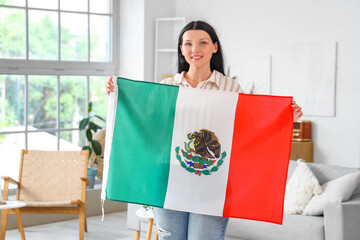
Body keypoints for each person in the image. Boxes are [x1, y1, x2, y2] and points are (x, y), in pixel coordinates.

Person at [106, 20, 303, 240]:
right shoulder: (169, 87)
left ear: (214, 47)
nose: (195, 49)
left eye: (202, 42)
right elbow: (147, 123)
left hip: (213, 185)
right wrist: (119, 95)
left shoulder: (230, 88)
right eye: (188, 44)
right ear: (181, 49)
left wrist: (284, 119)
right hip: (169, 179)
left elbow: (249, 129)